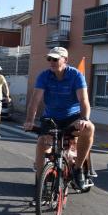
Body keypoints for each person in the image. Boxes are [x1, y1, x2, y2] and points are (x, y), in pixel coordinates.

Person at [23, 47, 96, 198]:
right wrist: (29, 121)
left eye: (55, 59)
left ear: (65, 60)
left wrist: (84, 119)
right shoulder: (44, 76)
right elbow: (35, 100)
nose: (51, 62)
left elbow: (83, 101)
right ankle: (40, 183)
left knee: (89, 128)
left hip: (72, 118)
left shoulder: (75, 75)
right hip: (51, 118)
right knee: (43, 142)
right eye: (49, 59)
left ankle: (77, 169)